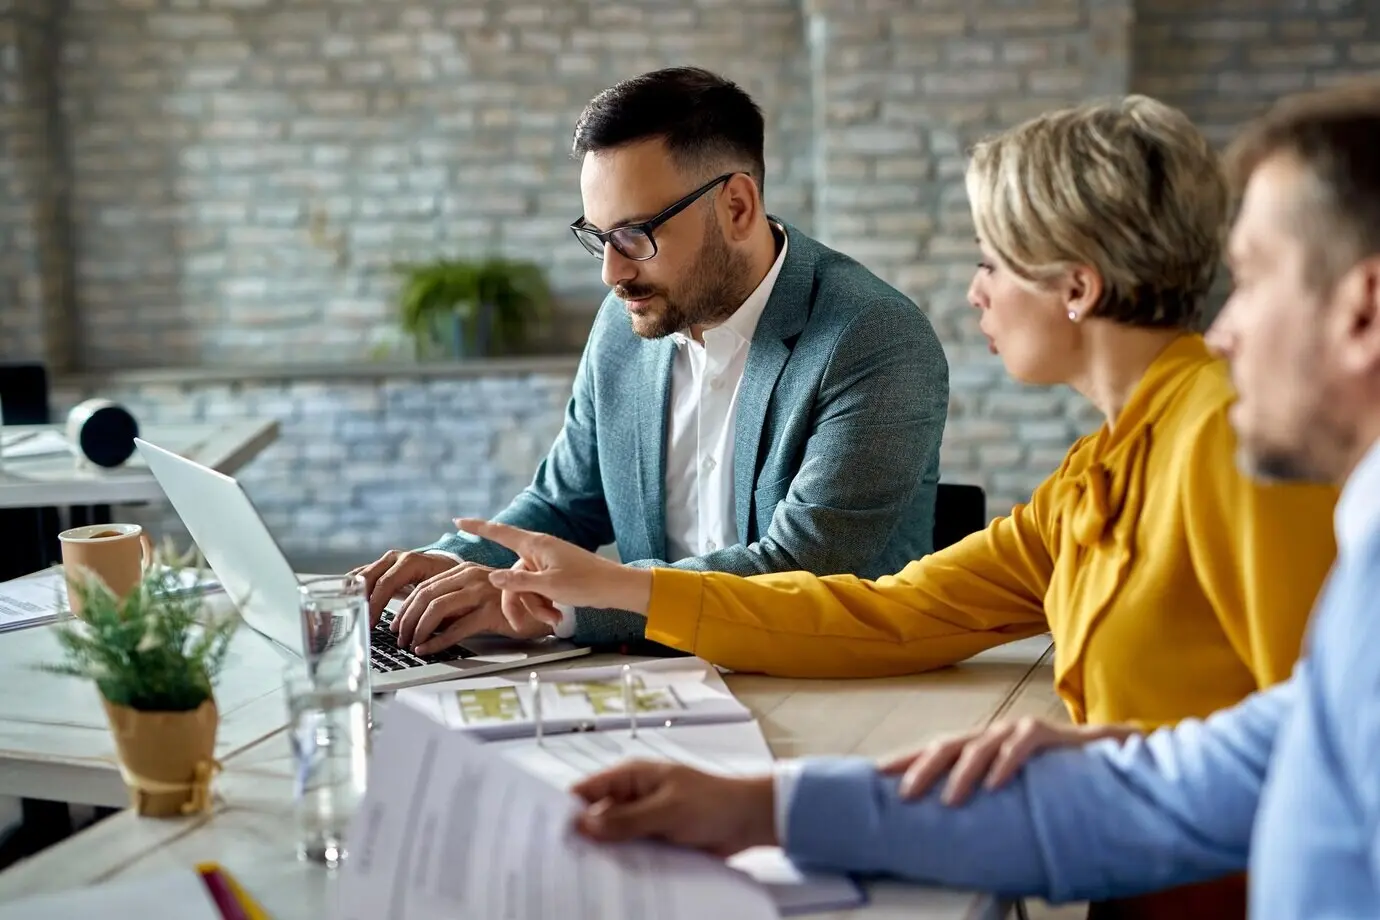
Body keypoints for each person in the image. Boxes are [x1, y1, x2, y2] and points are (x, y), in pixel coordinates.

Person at [497, 81, 1380, 919]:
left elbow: (1316, 770)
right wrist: (621, 590)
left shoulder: (1225, 436)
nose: (975, 290)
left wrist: (1116, 756)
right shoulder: (1101, 468)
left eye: (994, 260)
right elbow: (896, 612)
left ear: (1077, 287)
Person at [353, 66, 948, 654]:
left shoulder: (873, 337)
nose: (612, 272)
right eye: (599, 236)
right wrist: (451, 562)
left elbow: (801, 572)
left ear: (737, 206)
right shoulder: (626, 321)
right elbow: (567, 502)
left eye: (636, 234)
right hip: (660, 684)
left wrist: (552, 606)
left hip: (830, 685)